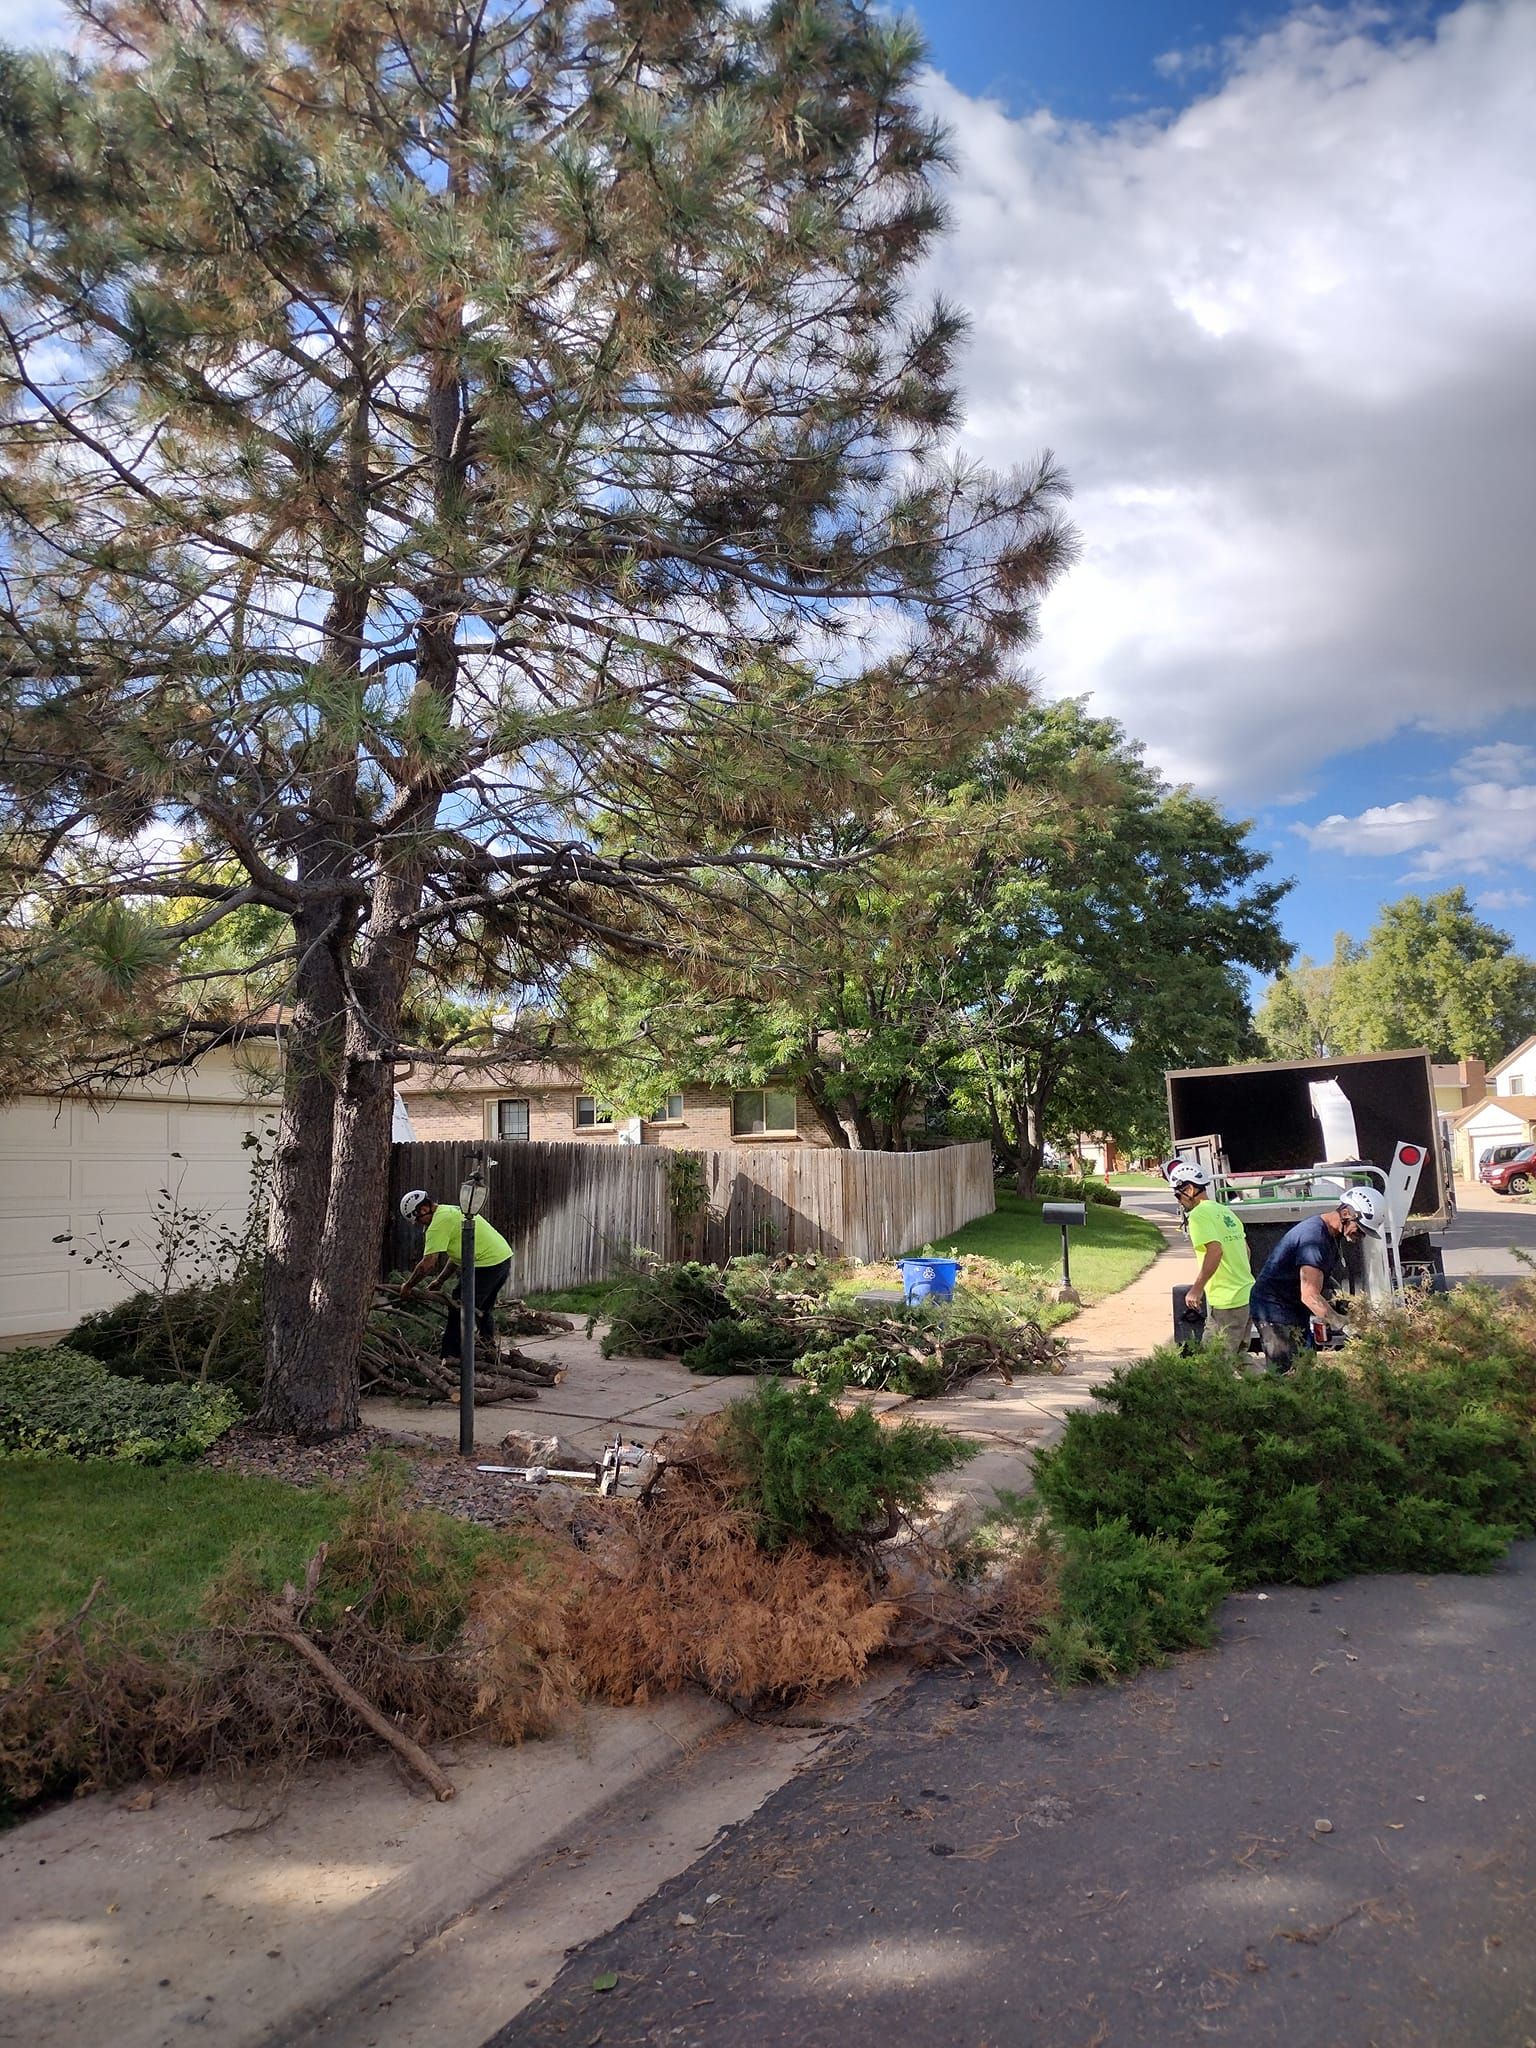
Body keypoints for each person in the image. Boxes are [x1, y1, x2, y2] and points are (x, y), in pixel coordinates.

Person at [1248, 1187, 1383, 1373]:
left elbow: (1324, 1278)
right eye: (1360, 1229)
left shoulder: (1332, 1236)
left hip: (1293, 1308)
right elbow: (1310, 1296)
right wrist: (1343, 1324)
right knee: (1287, 1375)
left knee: (1306, 1368)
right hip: (1273, 1310)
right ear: (1345, 1213)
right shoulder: (1313, 1238)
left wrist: (1349, 1306)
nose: (1361, 1235)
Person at [398, 1188, 514, 1367]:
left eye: (419, 1221)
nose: (421, 1225)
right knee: (482, 1309)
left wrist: (408, 1286)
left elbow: (427, 1264)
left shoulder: (437, 1224)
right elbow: (457, 1255)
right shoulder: (449, 1210)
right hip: (502, 1258)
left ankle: (451, 1356)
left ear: (422, 1210)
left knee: (459, 1307)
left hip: (487, 1264)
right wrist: (440, 1281)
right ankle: (488, 1349)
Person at [1169, 1162, 1255, 1357]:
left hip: (1227, 1302)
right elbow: (1246, 1250)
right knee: (1239, 1358)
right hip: (1246, 1294)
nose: (1179, 1201)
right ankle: (1271, 1387)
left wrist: (1196, 1289)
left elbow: (1215, 1252)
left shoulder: (1198, 1215)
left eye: (1178, 1195)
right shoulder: (1224, 1211)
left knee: (1213, 1362)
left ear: (1189, 1189)